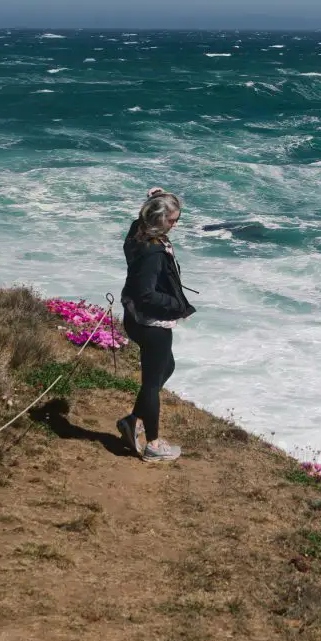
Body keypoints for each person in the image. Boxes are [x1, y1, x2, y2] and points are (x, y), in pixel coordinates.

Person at [117, 187, 196, 463]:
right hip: (152, 325)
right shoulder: (152, 252)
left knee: (167, 367)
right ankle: (152, 444)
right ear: (159, 220)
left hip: (134, 317)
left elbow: (143, 216)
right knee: (151, 384)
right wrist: (177, 306)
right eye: (173, 220)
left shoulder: (137, 232)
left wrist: (156, 199)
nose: (175, 224)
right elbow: (146, 294)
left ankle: (133, 420)